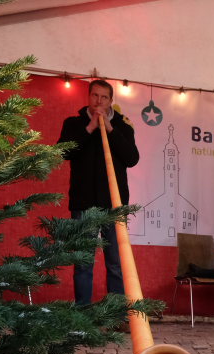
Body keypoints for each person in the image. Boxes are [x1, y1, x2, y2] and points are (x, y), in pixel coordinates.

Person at [58, 79, 140, 306]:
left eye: (104, 97)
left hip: (114, 205)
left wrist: (110, 129)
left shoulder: (123, 126)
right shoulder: (74, 123)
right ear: (88, 97)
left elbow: (132, 159)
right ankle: (83, 313)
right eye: (95, 95)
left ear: (111, 101)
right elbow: (63, 152)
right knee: (83, 262)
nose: (99, 101)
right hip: (83, 203)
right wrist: (90, 128)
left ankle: (114, 313)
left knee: (116, 263)